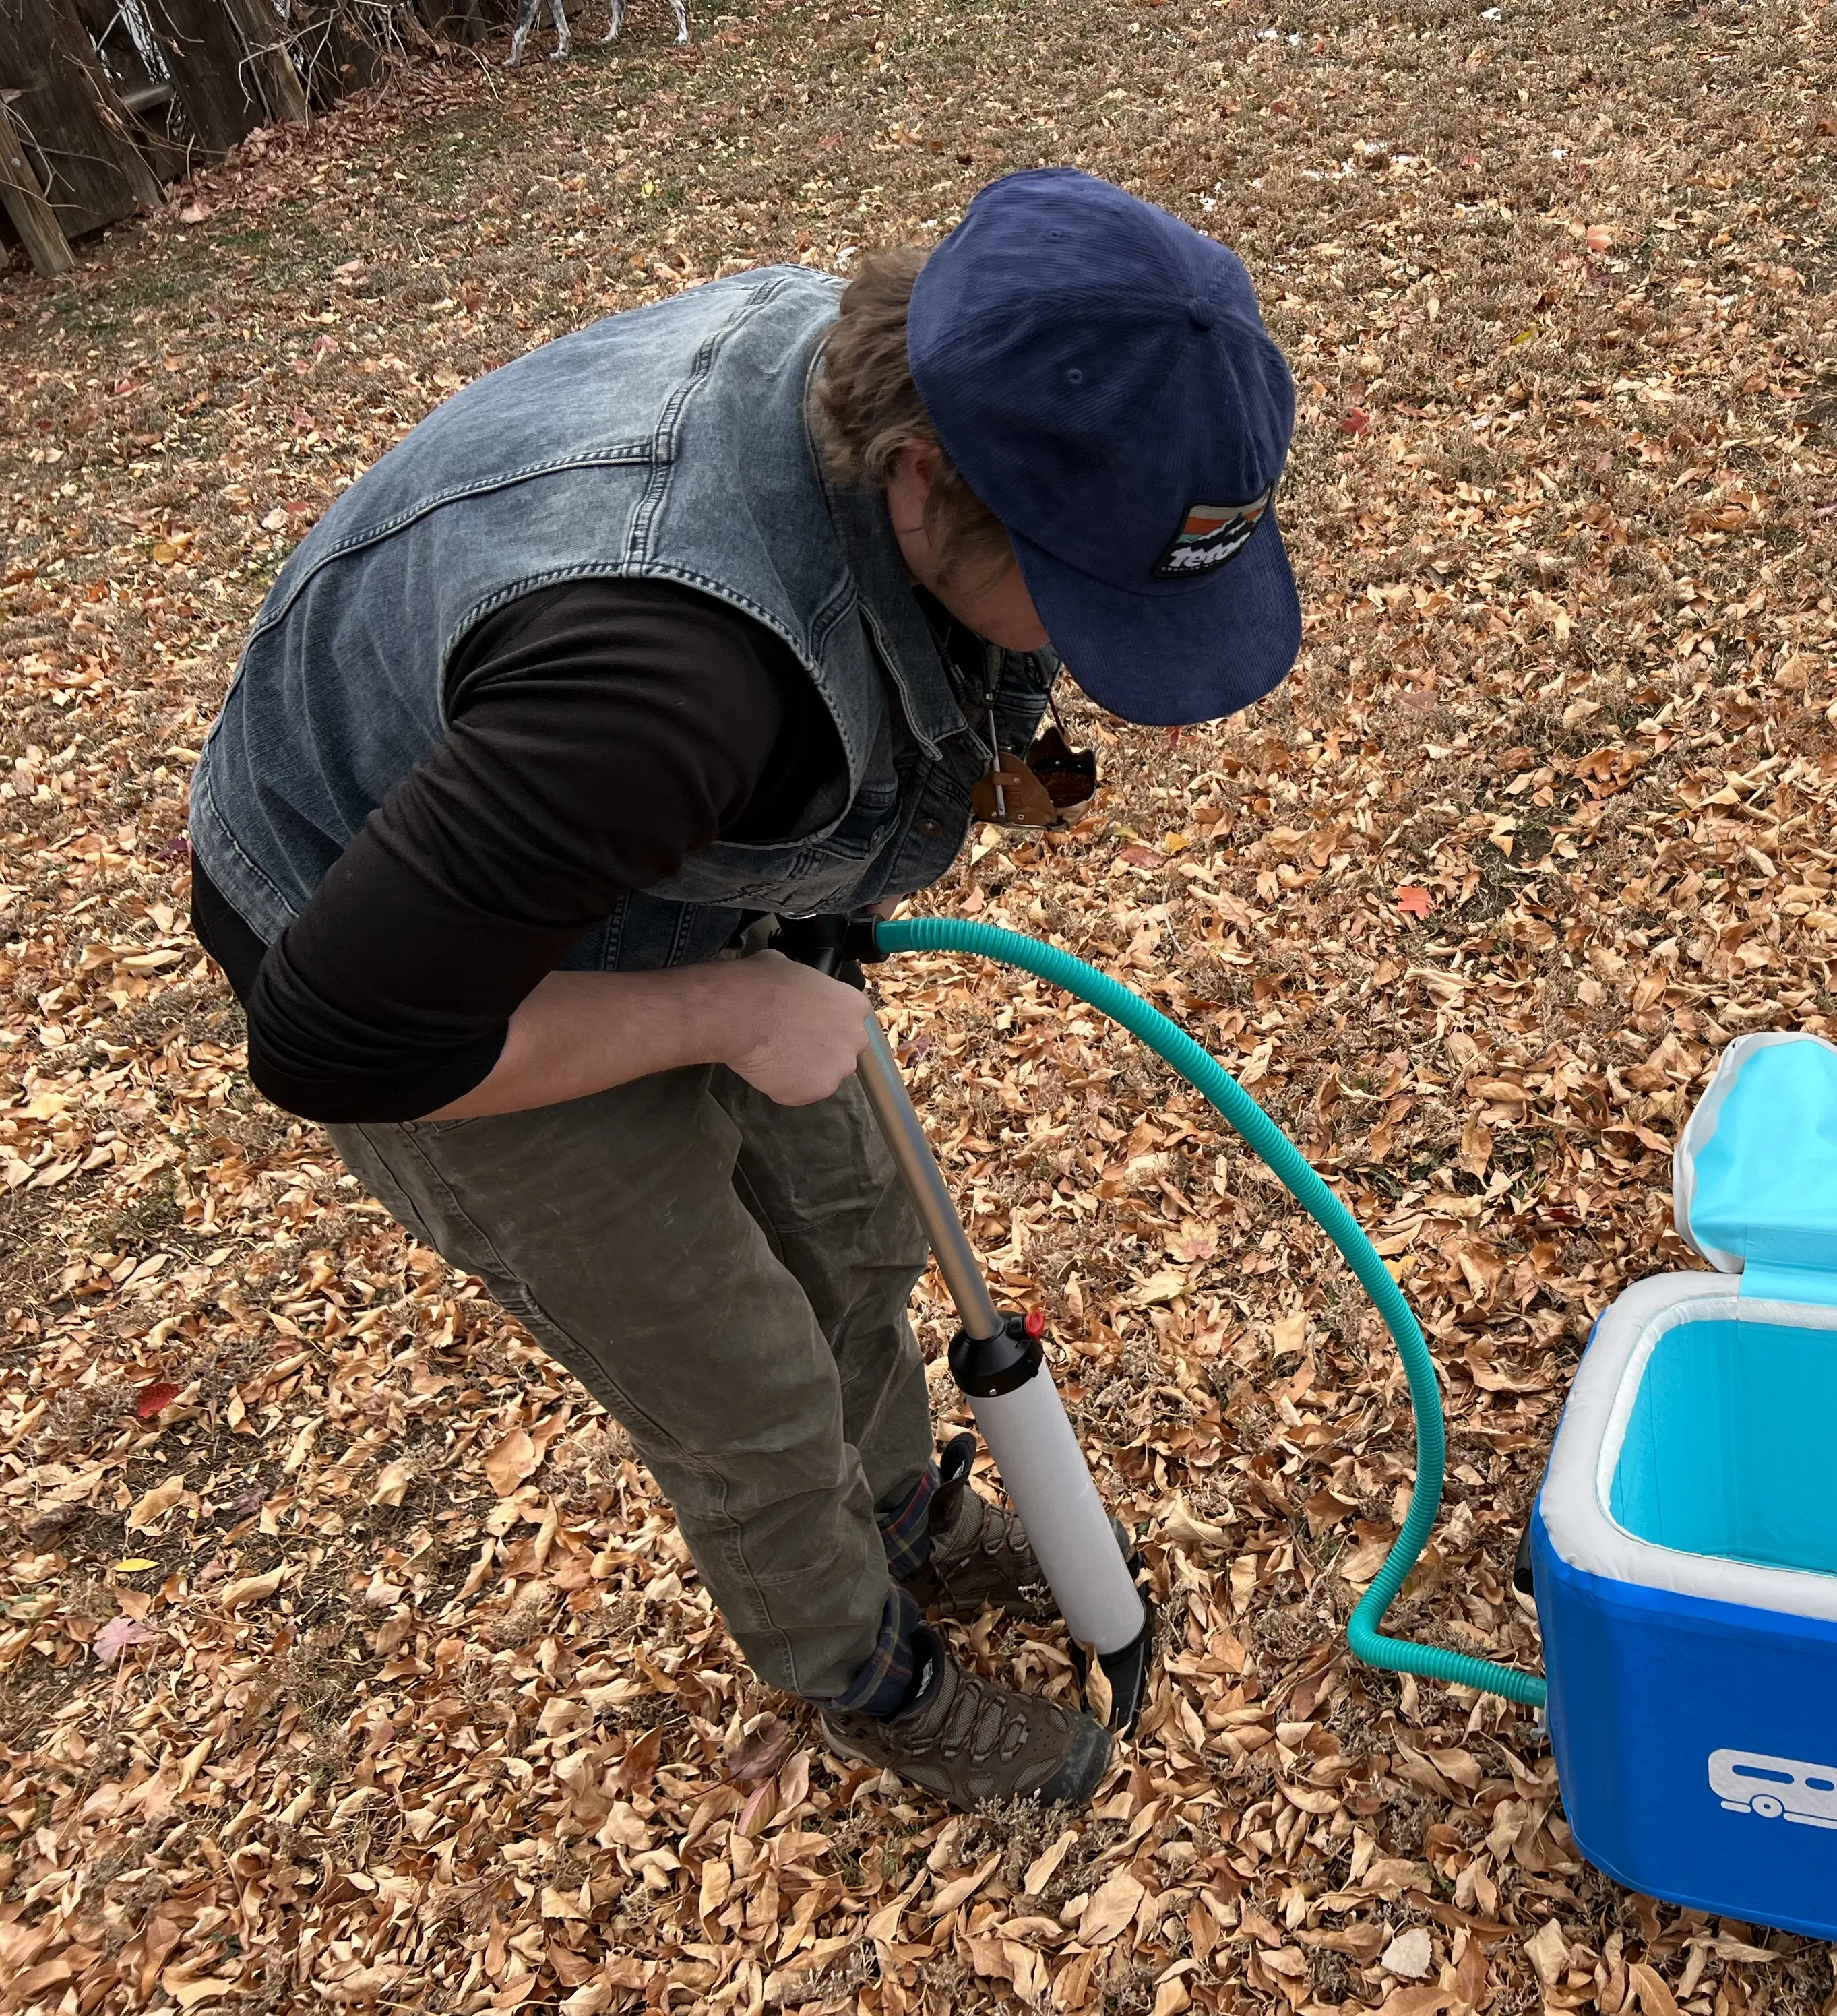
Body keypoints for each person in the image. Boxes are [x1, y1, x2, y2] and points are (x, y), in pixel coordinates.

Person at [185, 168, 1300, 1808]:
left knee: (851, 1226)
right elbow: (339, 1043)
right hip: (400, 957)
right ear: (926, 481)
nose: (1105, 656)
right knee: (745, 1379)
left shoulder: (929, 381)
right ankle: (862, 1666)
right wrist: (721, 1012)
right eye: (1087, 598)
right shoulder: (666, 680)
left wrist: (772, 955)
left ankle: (906, 1513)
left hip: (625, 852)